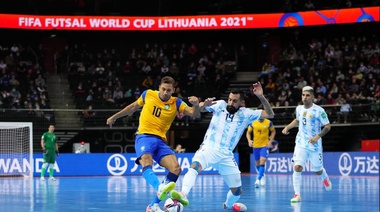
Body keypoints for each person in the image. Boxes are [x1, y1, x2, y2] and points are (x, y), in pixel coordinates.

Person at [170, 82, 274, 211]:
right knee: (195, 166)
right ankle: (183, 194)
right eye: (229, 99)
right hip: (209, 148)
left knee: (237, 191)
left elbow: (270, 114)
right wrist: (200, 104)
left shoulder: (247, 114)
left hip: (226, 156)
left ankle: (228, 205)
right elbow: (199, 110)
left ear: (241, 103)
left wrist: (261, 96)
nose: (230, 103)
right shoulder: (220, 105)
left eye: (234, 101)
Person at [106, 76, 200, 212]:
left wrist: (196, 104)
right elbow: (132, 107)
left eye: (169, 90)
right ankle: (159, 188)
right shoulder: (148, 94)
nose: (165, 93)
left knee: (175, 169)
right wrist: (114, 117)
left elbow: (194, 114)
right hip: (144, 136)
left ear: (173, 90)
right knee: (146, 160)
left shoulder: (177, 103)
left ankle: (153, 205)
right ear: (159, 88)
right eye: (163, 89)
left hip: (161, 141)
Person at [281, 86, 332, 203]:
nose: (305, 97)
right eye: (303, 95)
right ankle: (297, 195)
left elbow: (328, 126)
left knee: (318, 170)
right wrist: (288, 127)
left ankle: (325, 177)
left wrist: (317, 136)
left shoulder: (319, 111)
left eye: (307, 95)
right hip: (301, 143)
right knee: (297, 167)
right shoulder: (299, 109)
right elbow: (298, 120)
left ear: (313, 97)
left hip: (315, 145)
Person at [246, 118, 276, 188]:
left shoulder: (268, 122)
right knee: (257, 163)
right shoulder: (253, 122)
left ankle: (258, 179)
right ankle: (262, 175)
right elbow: (248, 132)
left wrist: (270, 141)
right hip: (256, 145)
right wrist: (249, 140)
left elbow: (273, 131)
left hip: (264, 146)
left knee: (262, 161)